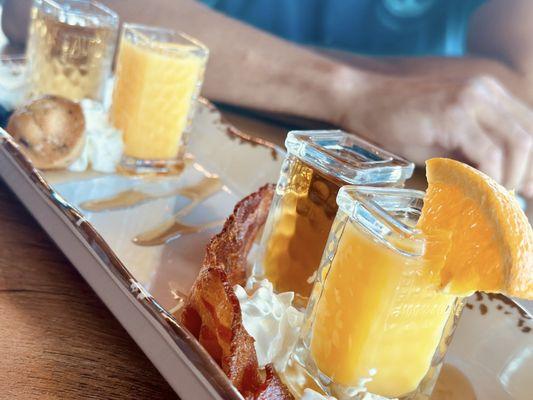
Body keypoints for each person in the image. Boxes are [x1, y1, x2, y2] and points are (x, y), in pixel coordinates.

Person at [3, 0, 533, 196]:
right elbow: (44, 10)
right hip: (108, 178)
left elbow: (517, 88)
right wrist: (354, 91)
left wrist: (245, 56)